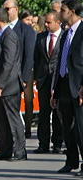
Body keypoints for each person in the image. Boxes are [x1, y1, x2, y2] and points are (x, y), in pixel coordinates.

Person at [0, 7, 26, 161]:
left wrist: (0, 85)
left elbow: (8, 63)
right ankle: (5, 150)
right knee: (2, 120)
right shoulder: (2, 34)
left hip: (8, 87)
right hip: (0, 86)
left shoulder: (9, 36)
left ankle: (20, 151)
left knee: (13, 120)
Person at [52, 0, 83, 174]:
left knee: (81, 127)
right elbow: (61, 64)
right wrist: (55, 92)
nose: (60, 13)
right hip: (64, 85)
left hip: (78, 86)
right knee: (67, 127)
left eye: (62, 10)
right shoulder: (65, 34)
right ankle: (71, 161)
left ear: (72, 11)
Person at [3, 0, 35, 138]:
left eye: (8, 9)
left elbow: (29, 55)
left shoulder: (26, 30)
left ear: (16, 9)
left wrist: (25, 77)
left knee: (28, 100)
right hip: (5, 74)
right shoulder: (2, 28)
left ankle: (26, 128)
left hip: (22, 73)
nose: (6, 12)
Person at [33, 12, 63, 154]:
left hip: (58, 80)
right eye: (45, 22)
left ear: (58, 22)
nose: (45, 24)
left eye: (49, 22)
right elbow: (37, 59)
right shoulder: (40, 37)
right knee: (44, 112)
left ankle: (57, 142)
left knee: (58, 112)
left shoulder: (64, 37)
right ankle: (43, 143)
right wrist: (37, 77)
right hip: (44, 80)